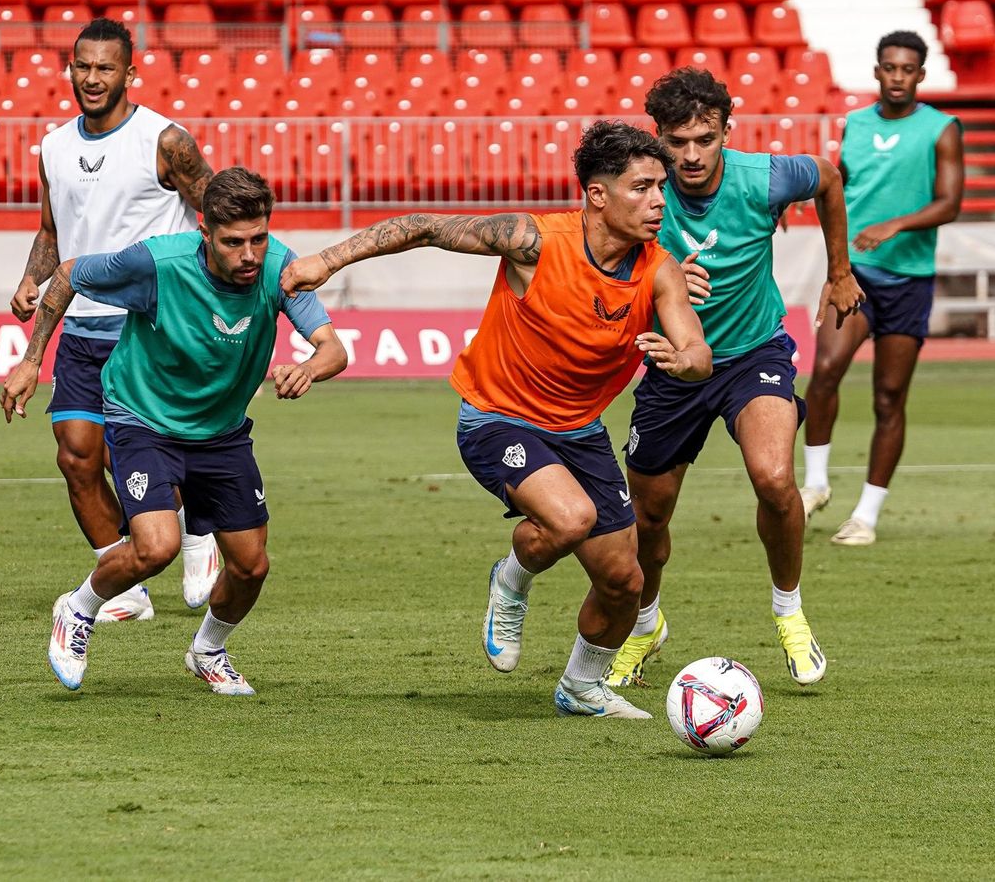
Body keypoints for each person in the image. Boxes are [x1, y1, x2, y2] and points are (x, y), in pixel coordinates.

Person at [283, 121, 712, 719]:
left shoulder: (660, 270)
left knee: (625, 581)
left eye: (661, 187)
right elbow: (427, 227)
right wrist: (326, 261)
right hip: (496, 417)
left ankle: (582, 687)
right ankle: (510, 581)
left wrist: (683, 359)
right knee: (571, 519)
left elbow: (697, 352)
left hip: (579, 430)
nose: (659, 201)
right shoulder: (535, 241)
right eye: (642, 188)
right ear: (597, 194)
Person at [2, 167, 347, 695]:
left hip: (223, 432)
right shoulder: (157, 263)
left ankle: (207, 651)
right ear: (205, 233)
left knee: (252, 567)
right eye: (234, 243)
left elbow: (333, 348)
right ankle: (78, 609)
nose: (249, 255)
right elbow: (69, 273)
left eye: (259, 238)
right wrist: (31, 360)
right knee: (154, 548)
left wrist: (310, 367)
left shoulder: (281, 268)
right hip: (144, 419)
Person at [605, 68, 862, 689]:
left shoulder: (768, 177)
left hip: (754, 354)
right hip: (673, 365)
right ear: (657, 138)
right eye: (677, 141)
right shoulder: (636, 194)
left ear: (727, 132)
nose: (691, 155)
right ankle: (644, 625)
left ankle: (790, 612)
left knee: (775, 479)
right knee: (650, 516)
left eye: (706, 139)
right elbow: (601, 273)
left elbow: (828, 180)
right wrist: (657, 290)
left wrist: (839, 270)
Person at [8, 18, 222, 619]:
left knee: (132, 454)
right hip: (80, 325)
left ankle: (197, 528)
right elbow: (54, 231)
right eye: (84, 66)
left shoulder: (165, 141)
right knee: (76, 454)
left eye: (106, 68)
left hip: (151, 333)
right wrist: (32, 276)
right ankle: (123, 584)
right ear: (69, 69)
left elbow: (216, 215)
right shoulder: (53, 145)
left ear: (130, 73)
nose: (93, 78)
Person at [802, 30, 964, 546]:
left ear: (921, 74)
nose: (897, 77)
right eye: (889, 68)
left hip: (909, 281)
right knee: (824, 369)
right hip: (856, 275)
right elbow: (836, 184)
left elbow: (951, 203)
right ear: (877, 71)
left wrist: (895, 224)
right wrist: (793, 197)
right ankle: (816, 484)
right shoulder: (854, 125)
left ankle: (866, 516)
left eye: (907, 69)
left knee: (889, 398)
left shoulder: (942, 129)